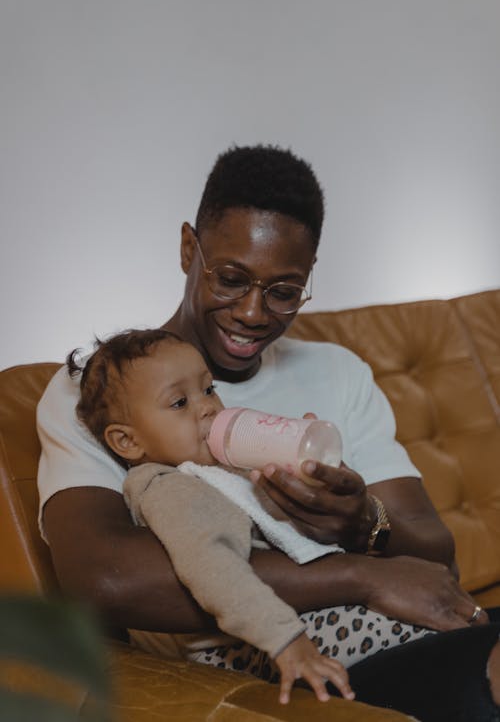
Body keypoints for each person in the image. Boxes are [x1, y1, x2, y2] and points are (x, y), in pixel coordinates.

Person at [37, 144, 500, 720]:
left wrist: (362, 524)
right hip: (297, 656)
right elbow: (102, 578)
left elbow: (436, 554)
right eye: (231, 278)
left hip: (389, 627)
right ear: (189, 248)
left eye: (284, 291)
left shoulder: (338, 373)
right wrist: (360, 575)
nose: (254, 313)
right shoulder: (101, 391)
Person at [66, 326, 437, 703]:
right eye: (180, 403)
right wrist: (287, 641)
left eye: (209, 389)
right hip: (247, 646)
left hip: (292, 619)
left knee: (428, 620)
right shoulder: (170, 487)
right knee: (416, 627)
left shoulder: (221, 470)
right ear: (127, 441)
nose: (208, 406)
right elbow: (214, 568)